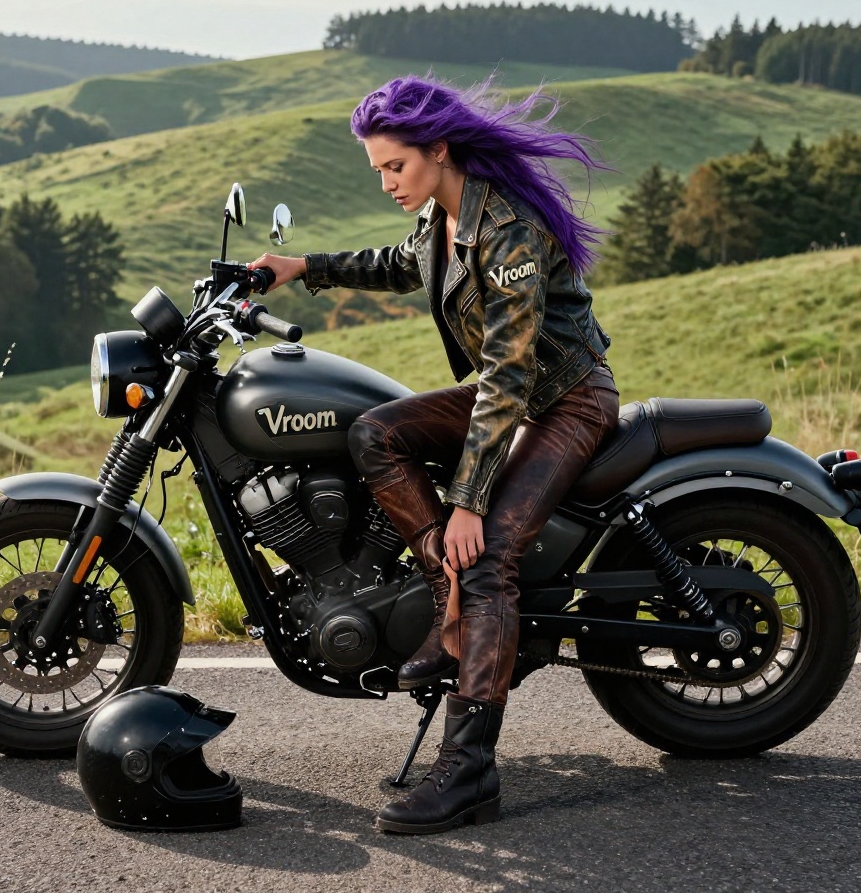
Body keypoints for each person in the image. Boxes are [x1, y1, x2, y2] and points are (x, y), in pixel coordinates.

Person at [251, 75, 619, 834]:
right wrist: (301, 268)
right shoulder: (444, 219)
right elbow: (399, 263)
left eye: (395, 166)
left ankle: (468, 774)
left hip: (565, 401)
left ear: (438, 149)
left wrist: (467, 503)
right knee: (374, 433)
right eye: (379, 170)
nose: (388, 182)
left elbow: (512, 377)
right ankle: (441, 610)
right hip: (509, 395)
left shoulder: (508, 227)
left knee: (487, 559)